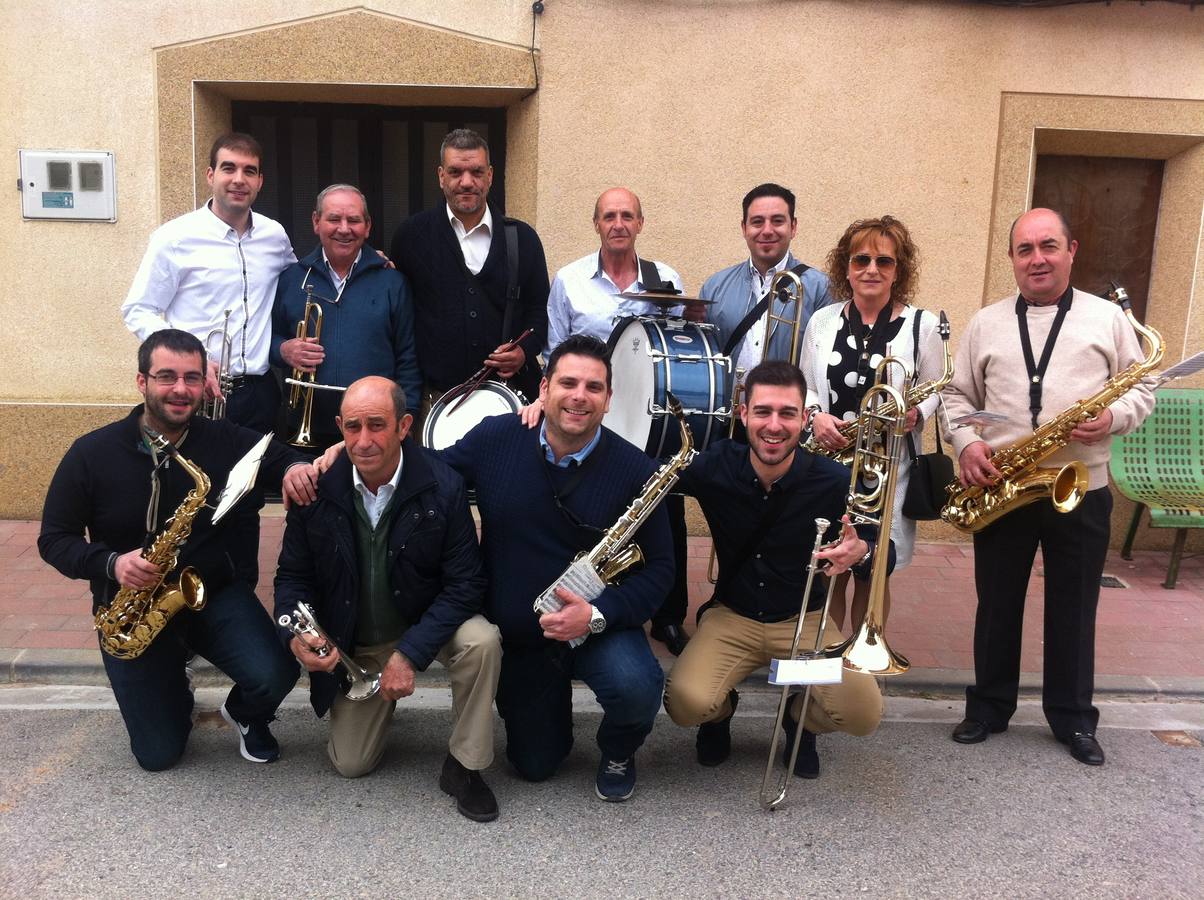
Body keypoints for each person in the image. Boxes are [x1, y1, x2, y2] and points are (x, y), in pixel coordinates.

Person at [38, 329, 319, 771]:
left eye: (192, 377)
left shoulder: (222, 438)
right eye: (166, 376)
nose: (181, 390)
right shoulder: (91, 453)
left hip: (210, 592)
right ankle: (172, 683)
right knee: (159, 754)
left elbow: (279, 456)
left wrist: (297, 469)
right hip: (133, 606)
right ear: (141, 381)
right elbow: (54, 539)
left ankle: (246, 714)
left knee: (275, 673)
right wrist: (110, 563)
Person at [943, 207, 1156, 766]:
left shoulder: (1109, 319)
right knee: (996, 604)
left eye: (1049, 246)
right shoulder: (985, 322)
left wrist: (1113, 419)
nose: (1037, 258)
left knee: (1074, 605)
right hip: (1007, 483)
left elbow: (1142, 386)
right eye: (1025, 249)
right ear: (1012, 258)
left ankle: (1073, 720)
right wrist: (966, 445)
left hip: (1081, 484)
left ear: (1072, 250)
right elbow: (955, 398)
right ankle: (988, 707)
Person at [440, 335, 673, 802]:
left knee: (637, 686)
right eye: (567, 382)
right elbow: (424, 472)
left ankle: (618, 749)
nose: (579, 396)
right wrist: (340, 454)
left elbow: (662, 569)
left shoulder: (635, 470)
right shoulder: (496, 438)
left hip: (599, 623)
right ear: (543, 389)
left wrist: (598, 614)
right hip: (526, 636)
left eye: (594, 387)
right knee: (535, 765)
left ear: (609, 400)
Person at [274, 377, 501, 822]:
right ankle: (380, 701)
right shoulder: (314, 488)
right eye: (353, 427)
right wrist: (295, 634)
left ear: (404, 426)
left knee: (482, 641)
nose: (363, 441)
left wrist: (410, 654)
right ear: (339, 426)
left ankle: (466, 767)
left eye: (377, 425)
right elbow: (291, 578)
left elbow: (466, 584)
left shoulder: (443, 485)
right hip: (359, 641)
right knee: (350, 764)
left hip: (426, 627)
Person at [664, 361, 885, 777]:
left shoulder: (833, 481)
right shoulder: (715, 466)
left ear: (805, 419)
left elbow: (880, 544)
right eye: (762, 411)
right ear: (743, 414)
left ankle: (799, 718)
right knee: (686, 704)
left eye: (787, 413)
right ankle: (719, 714)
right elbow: (643, 471)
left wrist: (861, 552)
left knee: (863, 714)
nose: (774, 425)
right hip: (733, 615)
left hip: (805, 620)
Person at [543, 186, 691, 656]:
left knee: (663, 504)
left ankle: (667, 615)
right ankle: (579, 593)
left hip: (645, 412)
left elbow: (678, 343)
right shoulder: (569, 280)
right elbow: (553, 350)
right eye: (610, 216)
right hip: (587, 409)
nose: (619, 223)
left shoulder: (664, 277)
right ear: (597, 224)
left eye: (628, 215)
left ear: (640, 223)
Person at [801, 215, 942, 630]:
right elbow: (807, 386)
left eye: (885, 261)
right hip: (830, 467)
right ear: (845, 266)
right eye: (861, 259)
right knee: (829, 573)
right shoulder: (822, 321)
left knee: (873, 572)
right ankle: (820, 673)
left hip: (886, 474)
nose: (871, 269)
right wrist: (816, 417)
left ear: (900, 270)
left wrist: (919, 413)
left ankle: (858, 671)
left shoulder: (923, 325)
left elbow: (939, 388)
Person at [122, 132, 295, 434]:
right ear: (210, 175)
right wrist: (191, 360)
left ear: (260, 182)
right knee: (196, 480)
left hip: (261, 392)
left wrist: (364, 260)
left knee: (257, 479)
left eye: (249, 171)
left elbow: (302, 280)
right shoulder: (174, 237)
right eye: (229, 168)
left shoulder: (275, 235)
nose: (239, 179)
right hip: (198, 390)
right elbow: (138, 310)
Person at [390, 128, 549, 410]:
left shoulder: (523, 238)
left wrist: (524, 352)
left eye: (476, 172)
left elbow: (540, 311)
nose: (466, 182)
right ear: (441, 176)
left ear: (489, 175)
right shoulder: (411, 236)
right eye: (455, 172)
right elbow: (399, 314)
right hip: (436, 402)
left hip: (511, 400)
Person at [271, 184, 422, 451]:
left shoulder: (392, 282)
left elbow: (408, 359)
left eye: (353, 220)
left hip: (375, 432)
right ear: (317, 222)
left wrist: (405, 419)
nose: (344, 229)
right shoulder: (291, 279)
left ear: (367, 226)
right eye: (333, 219)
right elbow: (266, 339)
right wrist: (282, 349)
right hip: (305, 432)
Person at [699, 183, 835, 383]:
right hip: (727, 413)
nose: (767, 230)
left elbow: (824, 367)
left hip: (788, 413)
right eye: (757, 222)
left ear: (793, 227)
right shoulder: (714, 287)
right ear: (744, 228)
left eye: (778, 221)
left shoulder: (821, 289)